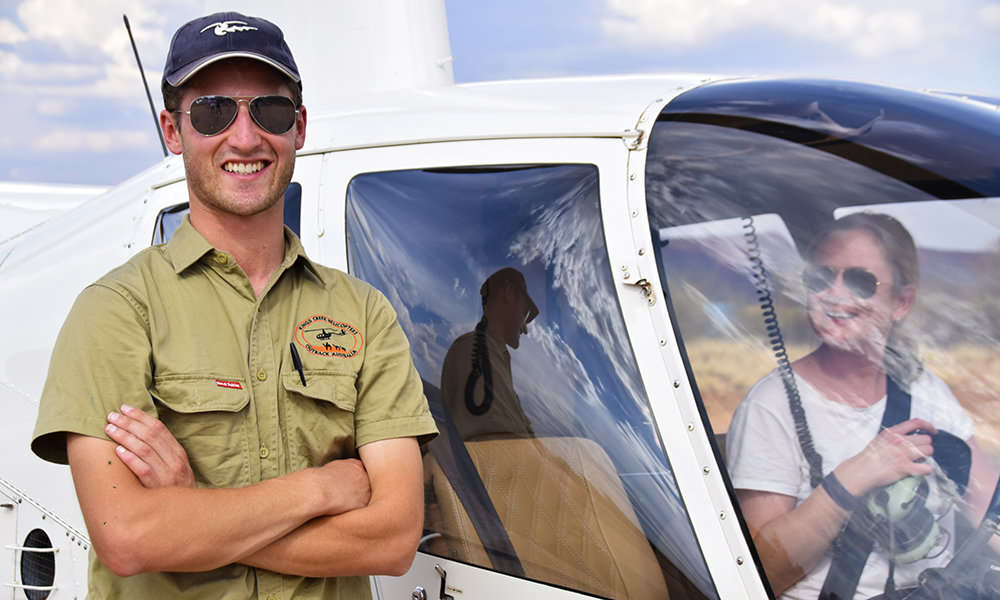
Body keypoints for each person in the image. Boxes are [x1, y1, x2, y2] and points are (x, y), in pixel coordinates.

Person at [30, 12, 437, 599]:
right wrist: (320, 490)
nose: (244, 138)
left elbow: (392, 541)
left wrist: (192, 512)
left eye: (267, 111)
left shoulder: (364, 313)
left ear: (297, 127)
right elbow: (128, 536)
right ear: (173, 132)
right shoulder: (116, 311)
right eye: (213, 112)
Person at [726, 212, 998, 600]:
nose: (834, 294)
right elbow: (762, 575)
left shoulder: (924, 389)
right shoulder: (771, 406)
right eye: (820, 278)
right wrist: (853, 477)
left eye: (859, 281)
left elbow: (989, 513)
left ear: (901, 302)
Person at [440, 267, 538, 439]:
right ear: (509, 293)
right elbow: (505, 449)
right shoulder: (474, 351)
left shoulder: (492, 354)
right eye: (525, 312)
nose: (525, 328)